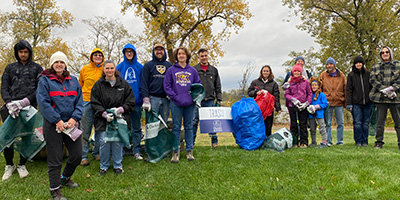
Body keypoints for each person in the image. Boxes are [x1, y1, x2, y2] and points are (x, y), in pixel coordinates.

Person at [36, 51, 83, 200]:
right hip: (53, 125)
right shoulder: (45, 81)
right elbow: (43, 103)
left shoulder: (74, 81)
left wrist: (74, 119)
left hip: (71, 124)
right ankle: (55, 191)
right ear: (52, 64)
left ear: (65, 64)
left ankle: (65, 178)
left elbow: (79, 103)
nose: (59, 64)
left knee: (77, 155)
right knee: (55, 159)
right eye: (56, 62)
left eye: (62, 62)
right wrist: (57, 120)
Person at [1, 40, 43, 181]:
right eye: (21, 52)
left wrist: (24, 102)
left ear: (29, 53)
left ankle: (22, 164)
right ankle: (9, 164)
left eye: (26, 52)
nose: (23, 54)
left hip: (29, 106)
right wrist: (9, 103)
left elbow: (40, 90)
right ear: (17, 53)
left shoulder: (37, 68)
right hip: (10, 107)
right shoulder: (10, 68)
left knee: (26, 136)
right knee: (8, 136)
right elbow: (4, 87)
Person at [91, 60, 135, 175]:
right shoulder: (98, 85)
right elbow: (94, 103)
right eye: (107, 68)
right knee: (104, 141)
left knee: (117, 142)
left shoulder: (123, 84)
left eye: (111, 68)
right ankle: (104, 166)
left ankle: (117, 165)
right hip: (103, 119)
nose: (109, 71)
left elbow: (130, 102)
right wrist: (104, 114)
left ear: (115, 69)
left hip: (119, 118)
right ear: (103, 70)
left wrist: (121, 109)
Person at [164, 47, 201, 162]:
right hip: (176, 103)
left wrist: (192, 98)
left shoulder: (193, 71)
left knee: (189, 127)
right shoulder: (171, 70)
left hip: (190, 103)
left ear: (187, 56)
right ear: (177, 56)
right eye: (179, 54)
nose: (181, 56)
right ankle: (176, 152)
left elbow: (198, 86)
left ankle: (189, 151)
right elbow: (167, 86)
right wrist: (175, 97)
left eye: (183, 54)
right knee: (176, 127)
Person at [369, 46, 400, 149]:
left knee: (398, 122)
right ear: (380, 55)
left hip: (395, 98)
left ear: (390, 53)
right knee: (380, 122)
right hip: (381, 98)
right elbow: (372, 79)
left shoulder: (398, 65)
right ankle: (378, 142)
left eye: (387, 52)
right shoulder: (376, 66)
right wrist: (383, 89)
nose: (385, 54)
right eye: (382, 53)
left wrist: (392, 89)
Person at [116, 43, 144, 160]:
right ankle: (121, 150)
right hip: (123, 104)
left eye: (131, 51)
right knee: (122, 127)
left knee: (136, 128)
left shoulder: (140, 67)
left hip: (137, 103)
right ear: (124, 53)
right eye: (127, 52)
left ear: (134, 53)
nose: (129, 53)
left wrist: (142, 98)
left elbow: (143, 84)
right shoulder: (119, 67)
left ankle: (136, 150)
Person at [79, 48, 105, 166]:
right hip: (86, 101)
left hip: (100, 102)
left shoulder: (105, 69)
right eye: (96, 55)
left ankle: (96, 153)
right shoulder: (85, 69)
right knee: (85, 129)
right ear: (91, 57)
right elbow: (80, 85)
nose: (98, 57)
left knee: (100, 129)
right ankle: (83, 156)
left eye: (100, 55)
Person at [192, 48, 222, 147]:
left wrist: (219, 98)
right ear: (198, 57)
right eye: (202, 56)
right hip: (197, 101)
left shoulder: (214, 70)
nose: (204, 58)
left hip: (210, 100)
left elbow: (218, 85)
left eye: (205, 55)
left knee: (211, 122)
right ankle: (191, 142)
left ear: (208, 56)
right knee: (194, 121)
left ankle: (214, 141)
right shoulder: (194, 70)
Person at [141, 43, 172, 122]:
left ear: (164, 51)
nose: (159, 52)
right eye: (156, 50)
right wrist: (146, 99)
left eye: (161, 50)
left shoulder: (169, 65)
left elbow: (172, 81)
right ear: (153, 52)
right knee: (151, 124)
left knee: (163, 124)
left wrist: (171, 93)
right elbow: (144, 83)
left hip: (166, 99)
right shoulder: (148, 65)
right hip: (152, 99)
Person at [248, 65, 281, 137]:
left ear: (270, 72)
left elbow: (276, 97)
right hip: (258, 108)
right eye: (264, 71)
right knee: (258, 125)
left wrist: (278, 108)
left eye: (267, 71)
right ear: (261, 72)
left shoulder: (274, 84)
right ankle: (258, 142)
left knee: (268, 126)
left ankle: (267, 141)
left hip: (269, 109)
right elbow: (249, 92)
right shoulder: (255, 82)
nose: (265, 72)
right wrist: (256, 93)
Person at [319, 57, 346, 146]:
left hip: (339, 101)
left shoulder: (341, 75)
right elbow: (319, 89)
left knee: (340, 123)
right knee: (328, 123)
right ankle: (329, 141)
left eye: (331, 64)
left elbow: (345, 88)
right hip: (327, 102)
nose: (329, 66)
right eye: (327, 64)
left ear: (334, 65)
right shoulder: (323, 75)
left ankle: (339, 141)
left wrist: (345, 102)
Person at [346, 56, 372, 147]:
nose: (358, 64)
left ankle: (365, 141)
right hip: (356, 104)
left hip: (368, 103)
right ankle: (358, 141)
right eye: (357, 63)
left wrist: (372, 100)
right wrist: (349, 103)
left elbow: (372, 88)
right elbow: (348, 90)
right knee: (357, 123)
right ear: (354, 64)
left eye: (360, 63)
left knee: (365, 123)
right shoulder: (351, 75)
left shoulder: (368, 74)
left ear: (362, 64)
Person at [284, 64, 312, 148]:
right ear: (292, 72)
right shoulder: (289, 82)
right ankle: (294, 142)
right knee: (294, 125)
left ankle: (304, 142)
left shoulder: (305, 82)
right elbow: (286, 94)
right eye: (295, 71)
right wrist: (293, 99)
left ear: (300, 72)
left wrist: (306, 103)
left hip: (303, 106)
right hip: (292, 106)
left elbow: (309, 94)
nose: (296, 72)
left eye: (298, 71)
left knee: (303, 124)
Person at [307, 77, 328, 148]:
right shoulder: (309, 95)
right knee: (312, 129)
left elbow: (325, 104)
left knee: (322, 128)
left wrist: (317, 106)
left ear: (318, 86)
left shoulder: (322, 95)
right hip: (311, 115)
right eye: (312, 85)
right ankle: (313, 142)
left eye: (315, 85)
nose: (314, 86)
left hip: (319, 114)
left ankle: (324, 142)